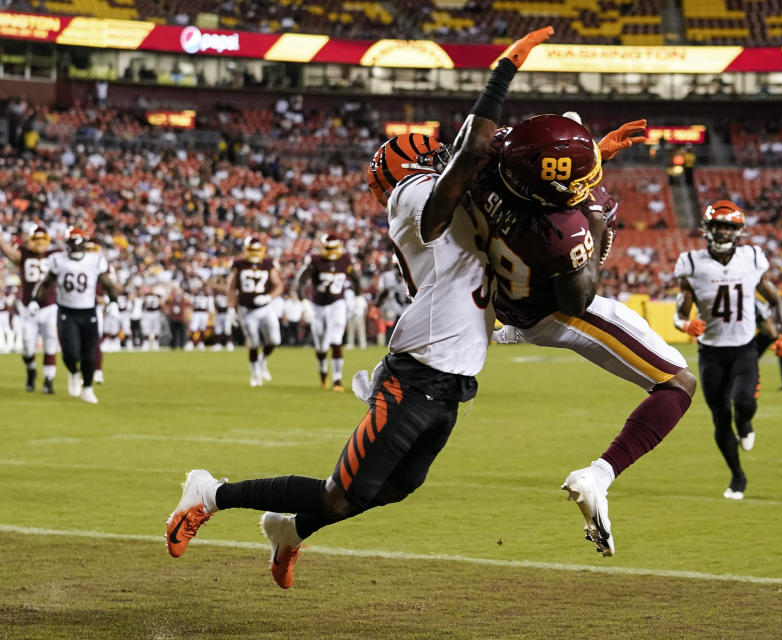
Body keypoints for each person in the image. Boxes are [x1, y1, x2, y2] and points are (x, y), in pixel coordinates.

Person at [164, 26, 553, 589]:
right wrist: (502, 73)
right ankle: (213, 492)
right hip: (418, 372)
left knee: (391, 488)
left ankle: (289, 532)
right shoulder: (413, 195)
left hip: (451, 378)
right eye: (437, 156)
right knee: (341, 493)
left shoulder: (450, 205)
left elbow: (492, 173)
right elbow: (471, 155)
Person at [475, 114, 696, 557]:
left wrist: (589, 153)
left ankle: (510, 334)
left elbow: (534, 156)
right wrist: (595, 223)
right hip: (554, 311)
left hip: (509, 295)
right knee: (679, 383)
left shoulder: (489, 161)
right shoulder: (563, 231)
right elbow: (577, 298)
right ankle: (598, 474)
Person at [674, 200, 782, 501]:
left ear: (738, 230)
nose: (724, 231)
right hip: (711, 353)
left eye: (729, 226)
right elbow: (680, 313)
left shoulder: (752, 257)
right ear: (708, 228)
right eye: (719, 225)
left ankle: (746, 423)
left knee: (744, 404)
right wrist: (684, 325)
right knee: (719, 416)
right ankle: (738, 476)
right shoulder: (691, 262)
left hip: (744, 349)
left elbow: (776, 300)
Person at [33, 229, 121, 404]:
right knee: (70, 353)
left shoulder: (95, 261)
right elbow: (46, 283)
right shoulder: (58, 261)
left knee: (89, 354)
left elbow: (107, 282)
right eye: (72, 242)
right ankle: (74, 372)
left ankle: (87, 388)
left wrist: (114, 301)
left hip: (88, 312)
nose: (75, 247)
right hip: (67, 311)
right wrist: (36, 301)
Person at [296, 233, 361, 391]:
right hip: (318, 305)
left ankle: (337, 380)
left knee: (336, 339)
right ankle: (323, 374)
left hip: (337, 303)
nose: (332, 252)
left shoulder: (345, 259)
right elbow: (300, 282)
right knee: (321, 345)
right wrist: (304, 303)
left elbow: (356, 279)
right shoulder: (315, 261)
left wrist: (358, 298)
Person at [0, 224, 60, 394]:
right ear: (30, 240)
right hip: (28, 308)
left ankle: (49, 380)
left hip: (49, 307)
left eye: (43, 239)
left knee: (50, 343)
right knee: (27, 346)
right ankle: (31, 370)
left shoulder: (54, 256)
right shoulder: (24, 255)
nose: (40, 243)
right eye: (37, 239)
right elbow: (9, 252)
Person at [226, 235, 283, 386]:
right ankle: (255, 374)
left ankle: (262, 360)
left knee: (275, 340)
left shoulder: (268, 263)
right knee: (253, 342)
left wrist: (268, 297)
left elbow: (279, 285)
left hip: (265, 307)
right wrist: (231, 309)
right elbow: (231, 288)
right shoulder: (239, 264)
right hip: (247, 310)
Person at [755, 297, 782, 392]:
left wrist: (777, 337)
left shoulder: (756, 303)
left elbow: (766, 319)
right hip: (764, 332)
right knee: (750, 357)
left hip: (776, 330)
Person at [188, 283, 213, 350]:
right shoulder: (194, 294)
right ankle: (191, 342)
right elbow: (191, 302)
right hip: (196, 312)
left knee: (202, 328)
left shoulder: (207, 294)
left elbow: (210, 304)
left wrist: (211, 312)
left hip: (204, 312)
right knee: (193, 327)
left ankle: (201, 342)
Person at [142, 285, 164, 350]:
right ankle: (146, 343)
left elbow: (161, 305)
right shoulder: (147, 296)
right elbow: (144, 304)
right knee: (146, 328)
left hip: (156, 313)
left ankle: (156, 343)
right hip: (148, 313)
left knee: (156, 328)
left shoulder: (158, 296)